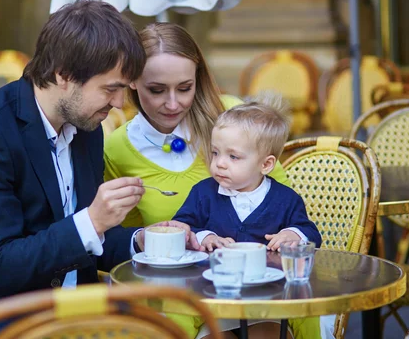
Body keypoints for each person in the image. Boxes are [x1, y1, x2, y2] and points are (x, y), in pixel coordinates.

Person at [0, 0, 197, 337]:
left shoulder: (86, 128)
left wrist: (145, 240)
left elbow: (82, 241)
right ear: (63, 75)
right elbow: (0, 265)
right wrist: (92, 220)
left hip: (69, 314)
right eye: (111, 88)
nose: (120, 103)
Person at [103, 23, 289, 337]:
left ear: (197, 79)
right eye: (157, 90)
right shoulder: (116, 149)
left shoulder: (232, 117)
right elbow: (122, 245)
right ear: (132, 80)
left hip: (254, 284)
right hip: (178, 298)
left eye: (185, 88)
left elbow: (281, 199)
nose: (173, 103)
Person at [173, 94, 322, 339]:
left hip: (270, 301)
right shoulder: (203, 193)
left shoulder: (285, 199)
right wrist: (205, 236)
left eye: (233, 157)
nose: (220, 163)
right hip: (213, 298)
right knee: (181, 314)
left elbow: (310, 233)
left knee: (287, 324)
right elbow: (183, 226)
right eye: (215, 153)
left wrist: (292, 234)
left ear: (266, 164)